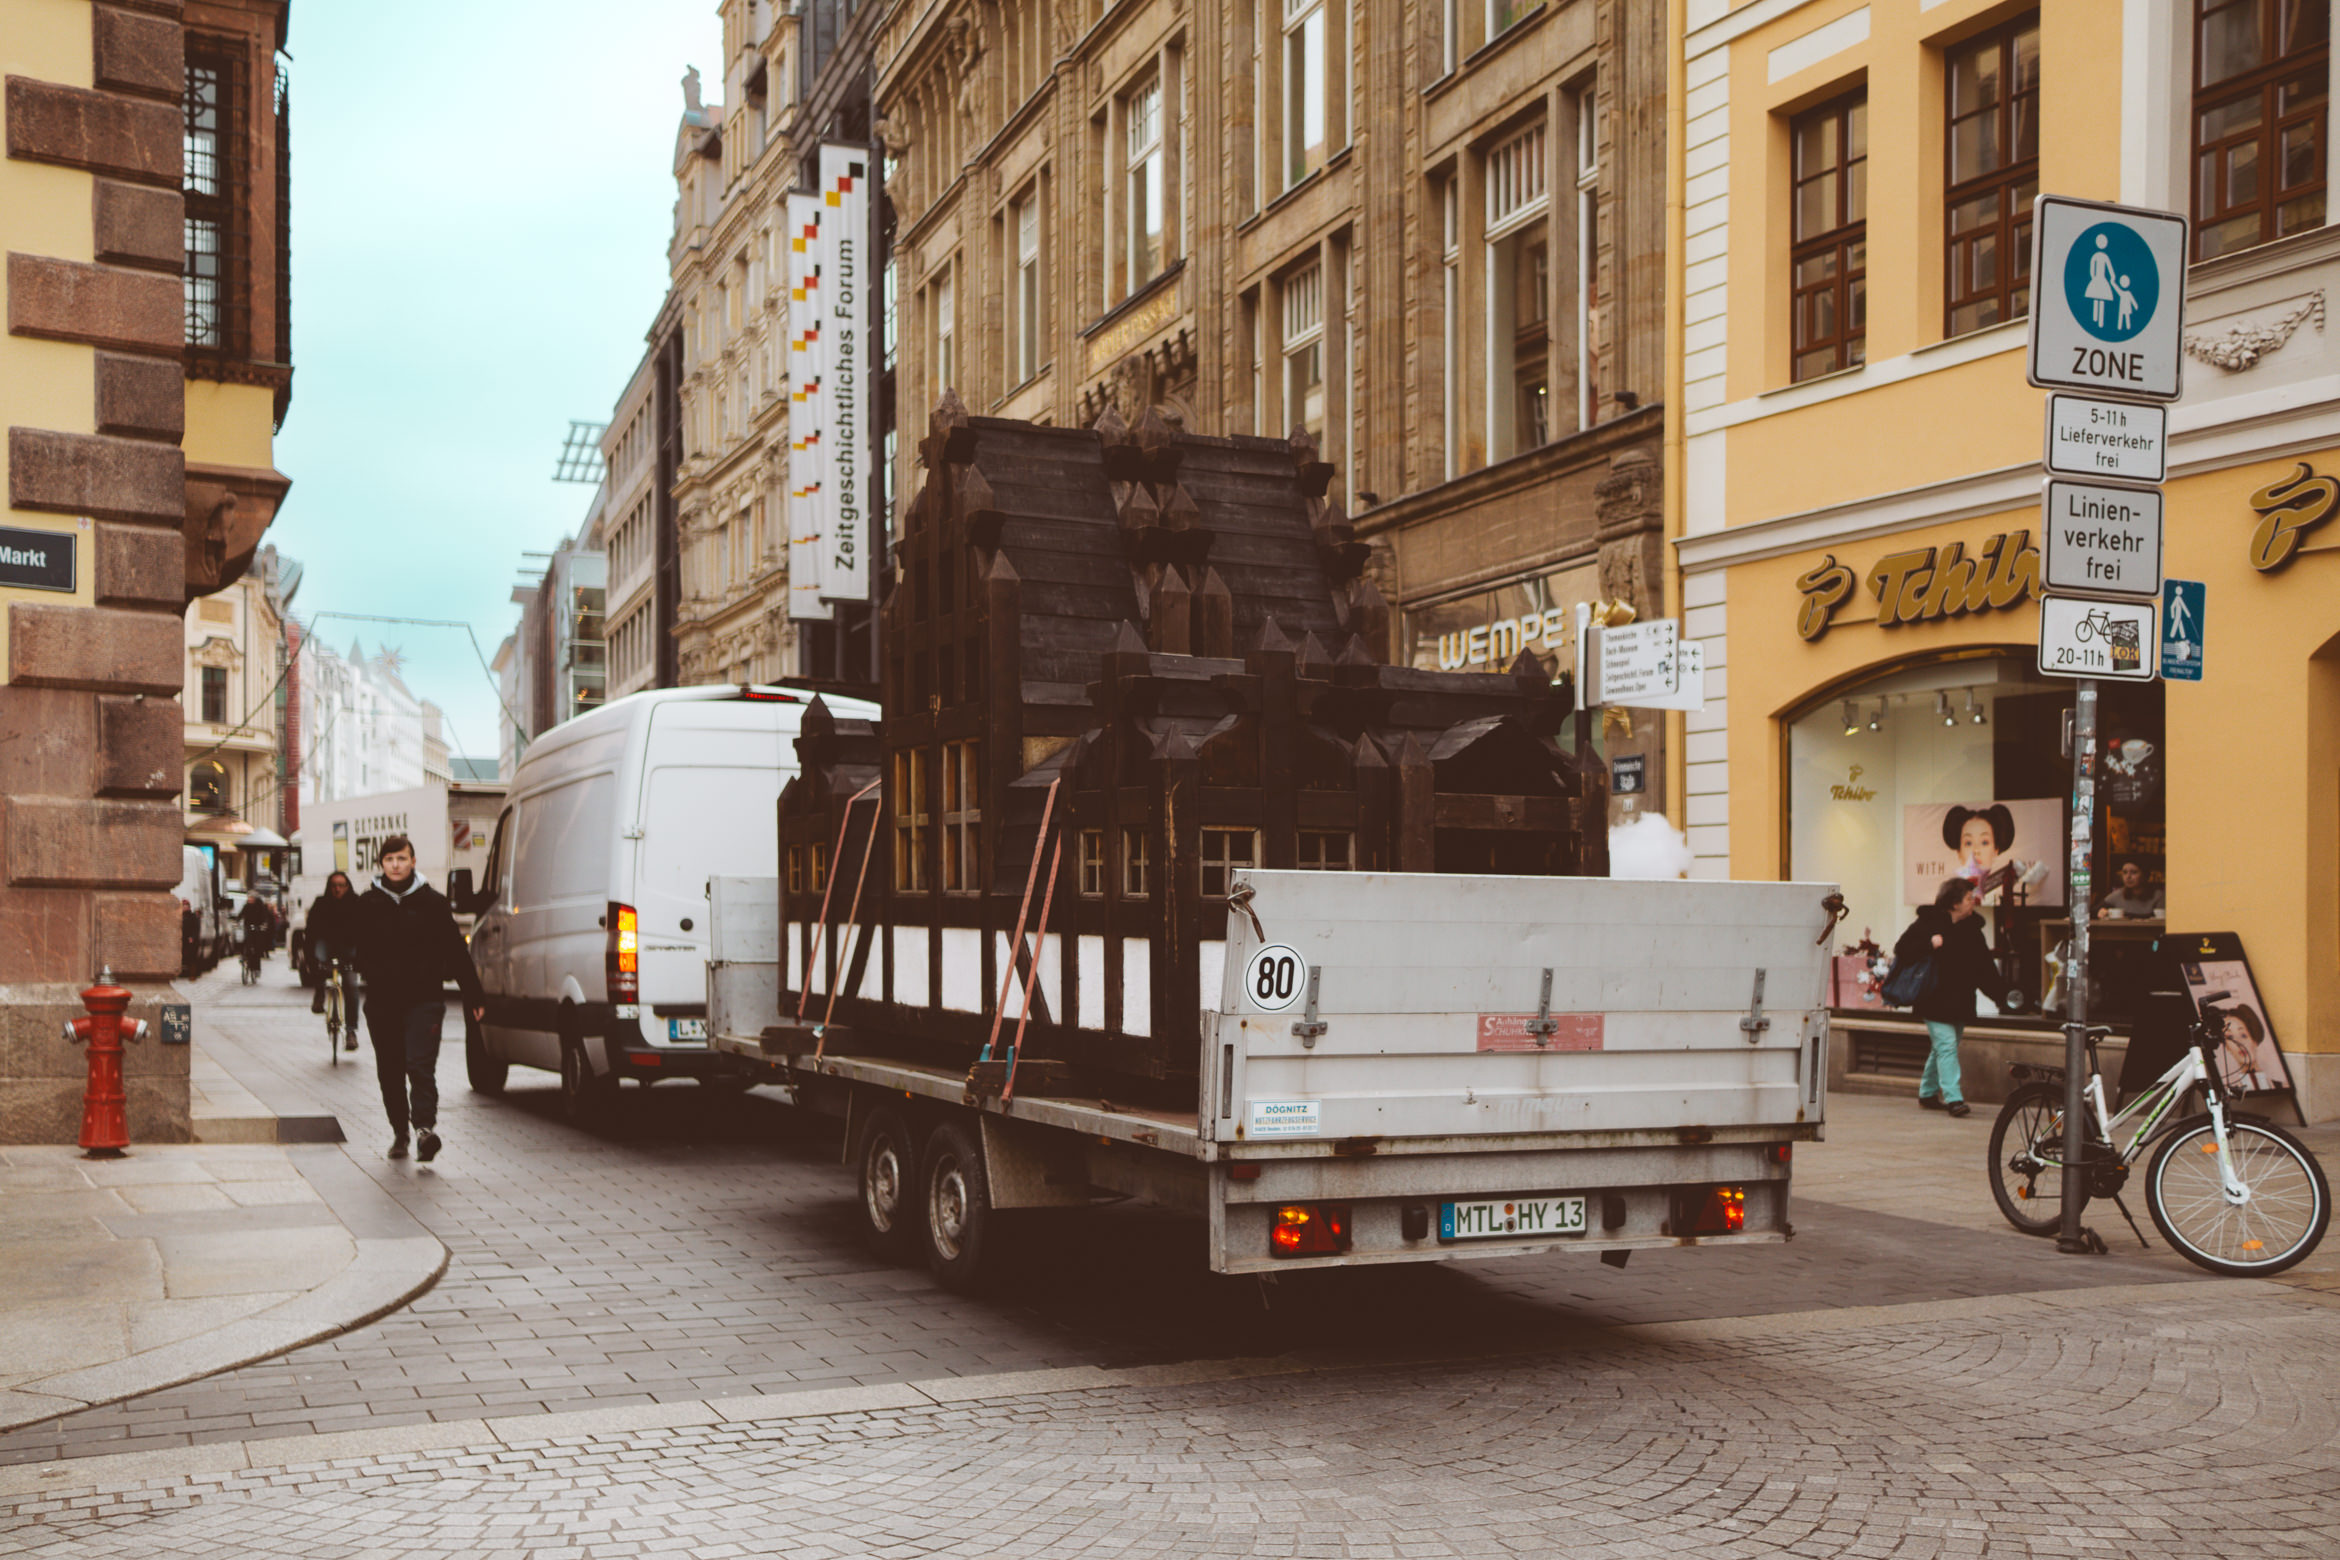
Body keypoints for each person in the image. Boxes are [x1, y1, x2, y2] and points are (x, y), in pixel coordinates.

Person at [354, 836, 486, 1163]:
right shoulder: (368, 903)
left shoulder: (433, 903)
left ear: (413, 861)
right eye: (389, 859)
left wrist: (473, 993)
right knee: (391, 1069)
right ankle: (400, 1131)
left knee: (420, 1065)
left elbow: (456, 951)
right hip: (383, 1003)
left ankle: (424, 1129)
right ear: (381, 864)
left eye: (402, 858)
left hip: (424, 1000)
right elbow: (355, 945)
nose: (396, 865)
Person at [1892, 877, 2021, 1118]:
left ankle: (1927, 1093)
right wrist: (1929, 943)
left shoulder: (1972, 930)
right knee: (1947, 1046)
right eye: (1969, 898)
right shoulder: (1928, 923)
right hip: (1932, 999)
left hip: (1960, 1001)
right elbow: (1902, 949)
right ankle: (1954, 1099)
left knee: (1942, 1048)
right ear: (1954, 903)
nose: (1973, 902)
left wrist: (2003, 996)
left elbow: (1985, 969)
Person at [306, 871, 365, 1049]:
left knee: (351, 985)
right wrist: (312, 961)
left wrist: (359, 960)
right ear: (329, 887)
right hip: (326, 943)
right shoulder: (321, 903)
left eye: (341, 885)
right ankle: (319, 993)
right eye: (334, 885)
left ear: (347, 887)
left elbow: (364, 934)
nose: (337, 889)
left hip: (347, 947)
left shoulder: (356, 902)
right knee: (319, 958)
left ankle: (351, 1032)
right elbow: (311, 932)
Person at [2095, 858, 2163, 920]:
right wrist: (2100, 912)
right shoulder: (2117, 895)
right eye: (2124, 872)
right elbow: (2093, 912)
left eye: (2134, 872)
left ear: (2145, 875)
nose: (2128, 876)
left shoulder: (2158, 896)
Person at [236, 891, 275, 970]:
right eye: (249, 898)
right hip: (248, 926)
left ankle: (256, 966)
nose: (250, 899)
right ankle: (244, 955)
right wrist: (237, 920)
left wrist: (263, 924)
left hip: (257, 926)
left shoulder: (260, 906)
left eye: (251, 898)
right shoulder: (246, 906)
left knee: (257, 945)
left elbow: (264, 916)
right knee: (245, 940)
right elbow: (241, 914)